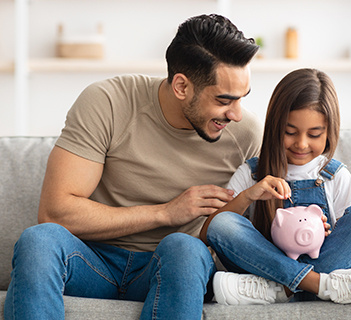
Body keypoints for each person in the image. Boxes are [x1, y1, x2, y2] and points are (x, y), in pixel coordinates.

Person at [4, 14, 262, 320]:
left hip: (170, 267)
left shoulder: (246, 135)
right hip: (91, 261)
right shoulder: (108, 102)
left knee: (186, 248)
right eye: (224, 100)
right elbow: (55, 211)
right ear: (181, 86)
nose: (235, 113)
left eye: (242, 98)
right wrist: (166, 212)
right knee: (39, 240)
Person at [199, 68, 351, 305]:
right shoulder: (252, 173)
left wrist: (326, 232)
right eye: (290, 132)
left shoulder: (336, 176)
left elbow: (346, 243)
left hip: (279, 275)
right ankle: (317, 286)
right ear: (274, 127)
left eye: (314, 134)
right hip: (263, 266)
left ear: (329, 132)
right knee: (223, 222)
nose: (301, 144)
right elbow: (209, 232)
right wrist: (249, 196)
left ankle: (279, 290)